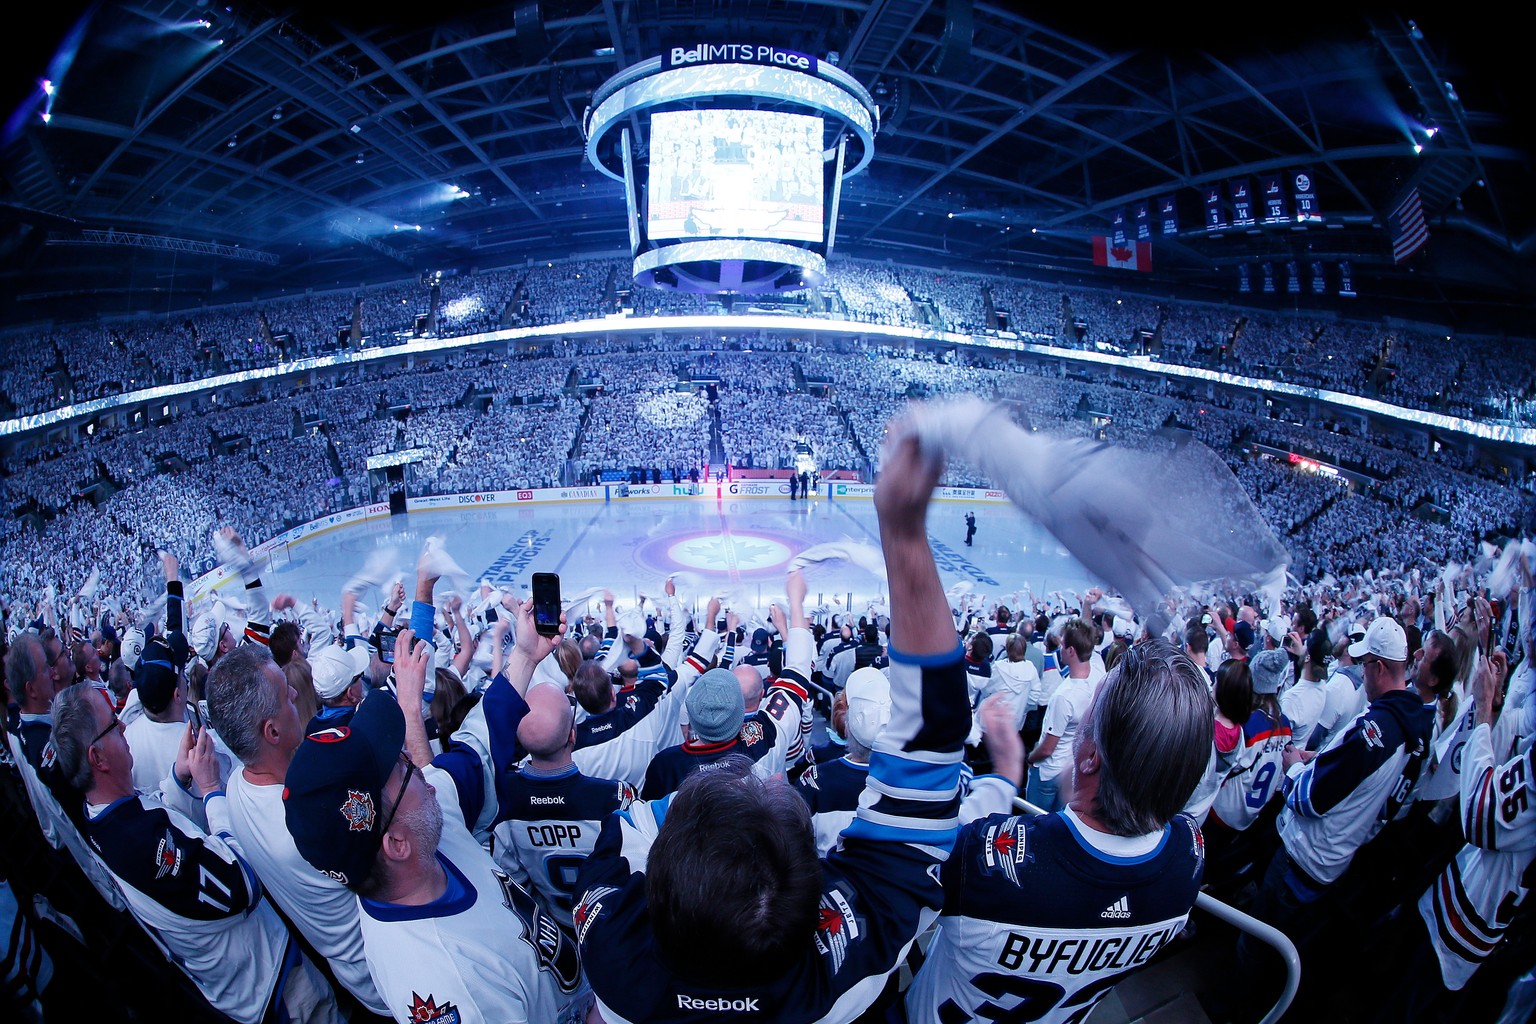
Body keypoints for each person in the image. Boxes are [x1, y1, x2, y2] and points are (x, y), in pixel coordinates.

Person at [572, 412, 972, 1023]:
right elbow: (930, 757)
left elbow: (606, 847)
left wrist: (654, 808)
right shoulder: (842, 978)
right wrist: (904, 541)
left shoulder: (610, 956)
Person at [283, 612, 592, 1024]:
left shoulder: (423, 829)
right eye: (400, 767)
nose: (415, 759)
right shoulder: (449, 985)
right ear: (395, 844)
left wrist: (524, 655)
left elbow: (477, 746)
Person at [906, 640, 1213, 1023]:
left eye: (1091, 709)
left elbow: (906, 868)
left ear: (1090, 757)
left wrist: (1004, 775)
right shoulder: (1189, 856)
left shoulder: (989, 863)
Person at [49, 682, 339, 1024]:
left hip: (256, 973)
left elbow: (154, 814)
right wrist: (211, 790)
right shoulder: (137, 846)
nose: (124, 725)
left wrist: (179, 777)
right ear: (96, 758)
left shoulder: (103, 815)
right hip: (270, 983)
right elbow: (241, 884)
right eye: (113, 724)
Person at [205, 642, 390, 1016]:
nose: (294, 692)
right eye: (285, 696)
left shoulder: (239, 786)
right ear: (271, 731)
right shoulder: (309, 822)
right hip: (387, 967)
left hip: (350, 973)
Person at [493, 682, 635, 929]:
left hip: (553, 923)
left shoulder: (501, 801)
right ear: (573, 735)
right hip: (610, 924)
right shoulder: (615, 797)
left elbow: (512, 882)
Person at [1023, 618, 1096, 813]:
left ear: (1071, 651)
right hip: (1071, 770)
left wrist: (1029, 758)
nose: (1060, 649)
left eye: (1063, 645)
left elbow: (1047, 749)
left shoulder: (1064, 697)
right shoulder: (1097, 677)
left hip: (1048, 773)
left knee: (1034, 822)